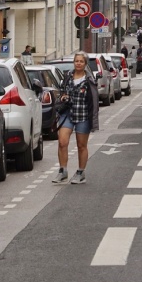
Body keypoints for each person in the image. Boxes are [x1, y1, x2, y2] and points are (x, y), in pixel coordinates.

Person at [52, 51, 99, 185]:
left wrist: (94, 120)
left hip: (83, 115)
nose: (78, 63)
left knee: (81, 145)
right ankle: (63, 171)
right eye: (76, 61)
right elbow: (61, 91)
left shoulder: (89, 80)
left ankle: (80, 172)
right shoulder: (67, 76)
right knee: (62, 142)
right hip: (67, 114)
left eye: (81, 61)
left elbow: (94, 101)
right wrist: (62, 97)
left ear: (85, 64)